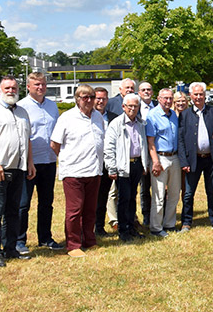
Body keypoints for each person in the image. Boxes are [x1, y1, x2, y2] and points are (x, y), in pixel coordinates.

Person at [0, 76, 36, 267]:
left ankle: (10, 248)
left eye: (14, 88)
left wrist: (30, 163)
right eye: (7, 88)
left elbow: (27, 140)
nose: (11, 91)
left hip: (18, 169)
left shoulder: (22, 112)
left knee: (14, 212)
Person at [50, 84, 105, 257]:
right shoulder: (66, 118)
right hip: (74, 172)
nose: (88, 100)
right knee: (74, 210)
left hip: (94, 171)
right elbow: (54, 144)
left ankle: (89, 240)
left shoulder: (98, 117)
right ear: (77, 99)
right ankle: (73, 244)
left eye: (91, 97)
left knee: (90, 209)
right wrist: (68, 159)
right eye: (84, 97)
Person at [16, 71, 63, 254]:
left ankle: (45, 237)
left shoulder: (52, 106)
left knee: (46, 202)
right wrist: (28, 162)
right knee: (23, 204)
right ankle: (20, 240)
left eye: (43, 84)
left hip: (49, 162)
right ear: (28, 87)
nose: (41, 87)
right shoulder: (21, 107)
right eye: (36, 85)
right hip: (29, 163)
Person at [178, 82, 213, 232]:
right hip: (193, 160)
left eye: (201, 94)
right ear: (190, 96)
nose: (198, 97)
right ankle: (186, 222)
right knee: (188, 193)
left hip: (211, 159)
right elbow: (180, 139)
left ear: (205, 95)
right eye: (195, 94)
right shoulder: (184, 114)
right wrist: (184, 161)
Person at [104, 93, 148, 242]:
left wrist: (144, 164)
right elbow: (109, 147)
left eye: (136, 106)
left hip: (136, 164)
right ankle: (123, 231)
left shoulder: (141, 123)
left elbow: (143, 145)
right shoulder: (116, 124)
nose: (133, 109)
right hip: (122, 165)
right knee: (123, 198)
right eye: (130, 106)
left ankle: (131, 227)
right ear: (123, 107)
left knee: (132, 198)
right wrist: (111, 167)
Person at [145, 88, 181, 237]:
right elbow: (150, 142)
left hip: (174, 157)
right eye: (165, 98)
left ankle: (169, 224)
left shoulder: (173, 115)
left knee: (174, 193)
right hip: (160, 157)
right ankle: (156, 227)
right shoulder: (152, 116)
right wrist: (155, 162)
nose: (168, 101)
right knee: (159, 194)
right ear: (159, 99)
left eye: (170, 98)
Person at [93, 87, 119, 237]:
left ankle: (99, 227)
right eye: (98, 98)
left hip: (107, 162)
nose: (100, 101)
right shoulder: (89, 116)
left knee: (103, 196)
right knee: (90, 197)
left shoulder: (114, 117)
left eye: (103, 98)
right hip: (91, 162)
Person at [137, 81, 157, 230]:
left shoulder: (158, 106)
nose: (146, 92)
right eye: (143, 89)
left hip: (157, 151)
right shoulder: (135, 108)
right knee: (145, 187)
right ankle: (146, 216)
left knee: (160, 186)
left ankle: (158, 214)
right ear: (139, 93)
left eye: (149, 89)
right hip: (142, 152)